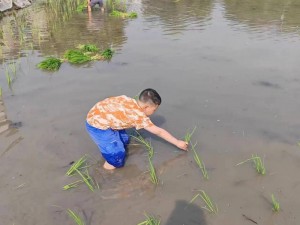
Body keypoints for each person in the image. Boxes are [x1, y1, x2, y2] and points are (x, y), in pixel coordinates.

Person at [85, 88, 188, 170]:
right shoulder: (138, 117)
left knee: (125, 140)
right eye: (154, 109)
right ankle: (107, 170)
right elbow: (158, 131)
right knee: (117, 156)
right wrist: (178, 142)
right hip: (97, 126)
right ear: (146, 107)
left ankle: (113, 147)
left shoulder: (128, 100)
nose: (154, 112)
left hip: (98, 114)